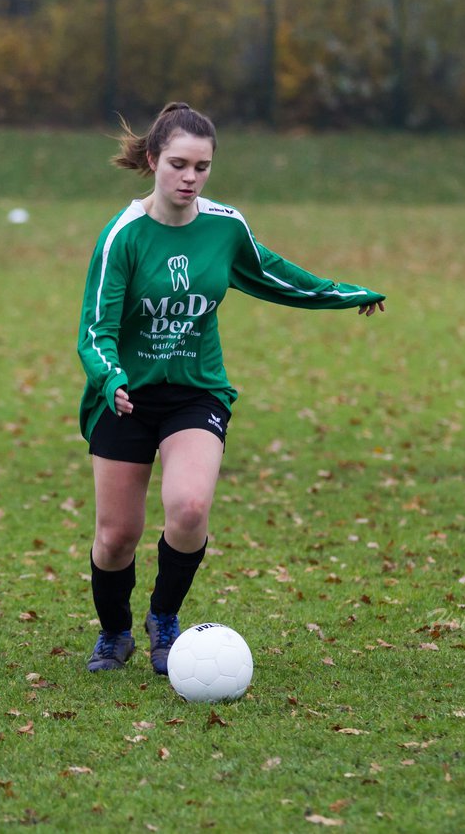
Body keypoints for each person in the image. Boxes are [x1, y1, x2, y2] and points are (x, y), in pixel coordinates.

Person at [75, 102, 386, 675]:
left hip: (197, 392)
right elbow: (95, 332)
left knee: (189, 509)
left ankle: (164, 620)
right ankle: (114, 633)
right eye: (178, 164)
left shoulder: (224, 225)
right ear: (153, 159)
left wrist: (343, 293)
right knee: (117, 537)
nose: (190, 178)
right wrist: (111, 377)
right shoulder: (122, 237)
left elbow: (272, 273)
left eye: (202, 166)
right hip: (126, 395)